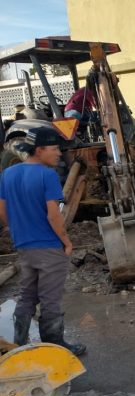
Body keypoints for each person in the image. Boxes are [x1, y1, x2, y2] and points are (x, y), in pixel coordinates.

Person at [0, 127, 86, 355]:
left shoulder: (8, 174)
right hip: (48, 246)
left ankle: (19, 343)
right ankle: (56, 347)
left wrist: (16, 229)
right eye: (54, 148)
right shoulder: (47, 175)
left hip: (24, 246)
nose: (59, 153)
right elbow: (53, 215)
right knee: (50, 298)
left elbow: (2, 208)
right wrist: (66, 242)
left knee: (28, 293)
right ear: (39, 150)